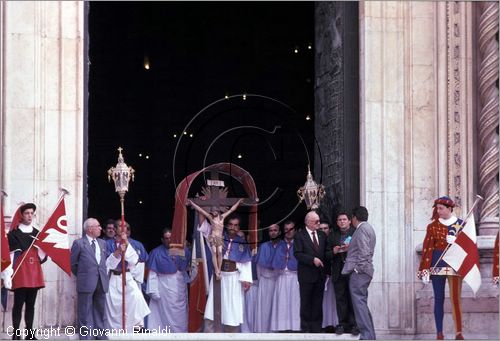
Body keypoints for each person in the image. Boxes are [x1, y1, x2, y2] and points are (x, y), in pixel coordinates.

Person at [417, 196, 465, 340]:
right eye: (437, 208)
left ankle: (458, 332)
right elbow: (427, 249)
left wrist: (457, 242)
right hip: (437, 265)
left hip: (455, 265)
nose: (438, 211)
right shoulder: (432, 226)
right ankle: (439, 332)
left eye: (441, 208)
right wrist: (424, 270)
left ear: (450, 209)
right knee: (439, 299)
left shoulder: (461, 225)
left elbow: (469, 248)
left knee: (455, 299)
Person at [203, 214, 252, 332]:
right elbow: (204, 228)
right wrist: (202, 212)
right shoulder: (217, 236)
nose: (233, 227)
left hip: (234, 280)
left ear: (239, 228)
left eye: (235, 225)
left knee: (232, 310)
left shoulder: (242, 243)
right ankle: (210, 336)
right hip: (219, 277)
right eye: (230, 224)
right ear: (226, 225)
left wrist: (246, 280)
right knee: (212, 309)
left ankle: (231, 336)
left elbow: (246, 263)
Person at [6, 203, 47, 340]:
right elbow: (10, 255)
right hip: (20, 272)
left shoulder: (37, 233)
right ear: (21, 215)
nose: (30, 215)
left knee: (31, 304)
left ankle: (30, 334)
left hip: (34, 271)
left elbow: (42, 256)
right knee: (18, 304)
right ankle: (16, 334)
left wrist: (43, 248)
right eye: (27, 213)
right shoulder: (13, 234)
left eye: (31, 213)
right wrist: (7, 273)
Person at [105, 222, 150, 332]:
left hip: (128, 277)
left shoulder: (132, 244)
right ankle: (115, 332)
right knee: (114, 308)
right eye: (120, 226)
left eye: (125, 227)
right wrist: (119, 251)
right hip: (113, 278)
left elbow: (134, 261)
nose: (123, 228)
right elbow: (108, 264)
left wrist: (126, 244)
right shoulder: (106, 244)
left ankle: (135, 328)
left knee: (136, 297)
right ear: (115, 229)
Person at [70, 218, 110, 340]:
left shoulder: (102, 243)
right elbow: (73, 264)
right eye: (98, 226)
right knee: (84, 310)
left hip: (101, 281)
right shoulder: (79, 243)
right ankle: (85, 336)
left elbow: (104, 262)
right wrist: (84, 275)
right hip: (86, 282)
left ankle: (100, 334)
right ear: (90, 228)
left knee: (100, 309)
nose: (100, 228)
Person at [146, 228, 191, 332]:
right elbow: (152, 274)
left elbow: (189, 266)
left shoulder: (182, 250)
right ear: (162, 240)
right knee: (162, 318)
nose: (169, 240)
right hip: (163, 290)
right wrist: (153, 291)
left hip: (180, 289)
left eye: (171, 238)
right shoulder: (156, 252)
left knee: (181, 316)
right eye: (166, 238)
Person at [341, 206, 376, 340]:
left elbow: (364, 251)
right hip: (364, 271)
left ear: (355, 218)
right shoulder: (368, 228)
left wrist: (357, 269)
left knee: (359, 304)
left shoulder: (361, 230)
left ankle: (367, 336)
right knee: (362, 303)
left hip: (360, 272)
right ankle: (370, 335)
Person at [187, 197, 244, 280]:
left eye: (215, 210)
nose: (214, 212)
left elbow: (231, 210)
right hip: (213, 237)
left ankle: (219, 270)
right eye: (212, 211)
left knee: (220, 252)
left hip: (220, 237)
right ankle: (217, 270)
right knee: (214, 252)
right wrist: (192, 203)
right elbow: (201, 210)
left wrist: (238, 202)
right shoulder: (210, 218)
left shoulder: (222, 217)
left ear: (218, 211)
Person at [294, 211, 327, 333]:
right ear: (307, 222)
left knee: (318, 302)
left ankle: (317, 328)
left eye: (319, 220)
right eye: (316, 221)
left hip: (320, 275)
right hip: (306, 275)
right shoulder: (299, 236)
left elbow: (325, 253)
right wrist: (312, 259)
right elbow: (297, 254)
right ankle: (306, 328)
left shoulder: (322, 235)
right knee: (306, 302)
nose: (319, 223)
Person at [326, 211, 358, 335]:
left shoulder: (356, 233)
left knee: (353, 299)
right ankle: (343, 324)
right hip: (338, 272)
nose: (342, 222)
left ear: (350, 221)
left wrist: (350, 249)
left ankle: (355, 325)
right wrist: (334, 251)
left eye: (344, 219)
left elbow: (363, 250)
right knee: (341, 299)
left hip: (352, 272)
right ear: (337, 222)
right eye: (339, 220)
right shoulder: (332, 236)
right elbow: (326, 255)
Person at [270, 220, 300, 332]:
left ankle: (296, 327)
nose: (288, 232)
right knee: (281, 303)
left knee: (295, 303)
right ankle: (282, 327)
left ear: (295, 231)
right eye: (286, 229)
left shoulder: (299, 243)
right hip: (281, 277)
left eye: (291, 229)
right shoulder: (279, 245)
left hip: (295, 277)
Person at [253, 223, 279, 332]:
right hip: (264, 281)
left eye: (275, 230)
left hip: (277, 282)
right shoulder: (263, 246)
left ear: (279, 232)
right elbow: (259, 267)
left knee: (276, 307)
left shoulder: (282, 246)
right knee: (263, 308)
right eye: (270, 230)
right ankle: (262, 331)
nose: (273, 232)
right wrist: (261, 280)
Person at [319, 221, 338, 333]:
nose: (323, 230)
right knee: (322, 302)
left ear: (329, 230)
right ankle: (324, 324)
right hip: (321, 278)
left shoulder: (333, 240)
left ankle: (334, 324)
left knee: (334, 301)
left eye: (325, 228)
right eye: (321, 229)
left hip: (334, 277)